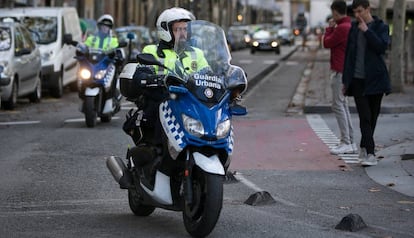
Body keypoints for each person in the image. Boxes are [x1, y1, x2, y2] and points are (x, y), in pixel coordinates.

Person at [342, 0, 391, 166]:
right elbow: (349, 55)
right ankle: (370, 153)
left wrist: (368, 31)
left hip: (376, 79)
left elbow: (382, 48)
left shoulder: (381, 27)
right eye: (355, 12)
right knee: (365, 117)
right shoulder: (354, 29)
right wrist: (345, 80)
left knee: (373, 116)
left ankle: (364, 145)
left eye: (360, 11)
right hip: (357, 81)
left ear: (368, 9)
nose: (357, 15)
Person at [323, 0, 356, 155]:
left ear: (335, 12)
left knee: (338, 105)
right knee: (343, 105)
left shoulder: (341, 28)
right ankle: (350, 141)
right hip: (345, 70)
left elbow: (327, 43)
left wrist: (329, 28)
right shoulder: (348, 26)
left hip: (339, 70)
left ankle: (346, 142)